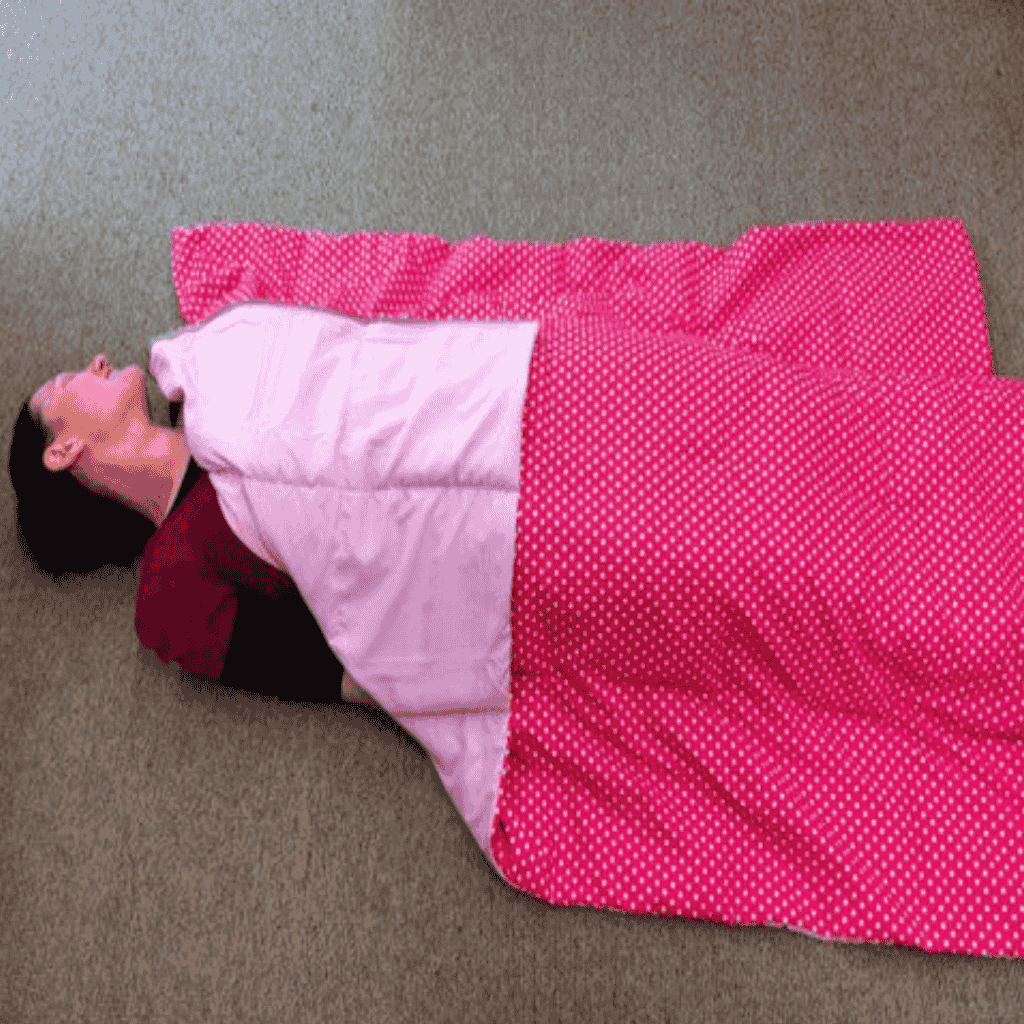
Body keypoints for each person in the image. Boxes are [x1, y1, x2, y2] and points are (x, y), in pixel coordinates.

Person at [8, 351, 353, 704]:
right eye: (67, 380)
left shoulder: (201, 381)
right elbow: (342, 674)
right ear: (62, 450)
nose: (98, 359)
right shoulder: (170, 589)